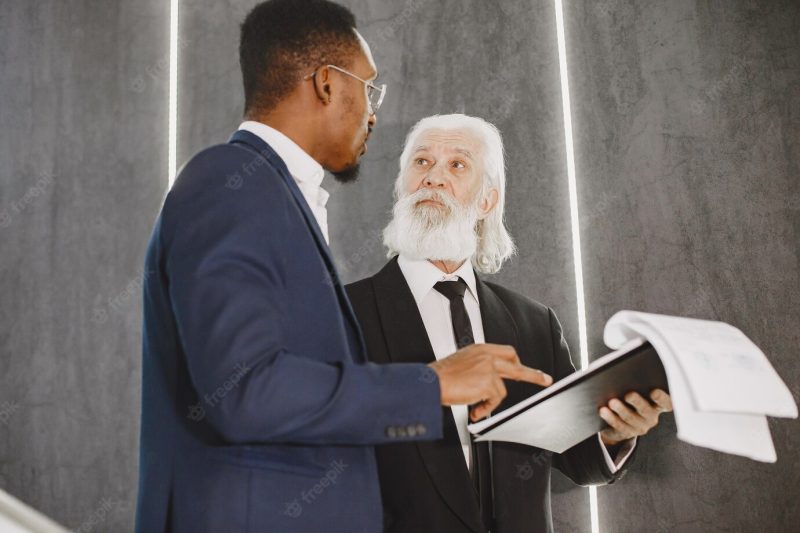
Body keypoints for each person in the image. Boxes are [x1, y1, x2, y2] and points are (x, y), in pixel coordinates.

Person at [133, 3, 551, 532]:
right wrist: (431, 385)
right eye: (368, 88)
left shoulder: (274, 195)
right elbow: (244, 389)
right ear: (328, 84)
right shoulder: (229, 181)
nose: (373, 112)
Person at [346, 114, 673, 533]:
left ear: (486, 201)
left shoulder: (535, 324)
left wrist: (617, 433)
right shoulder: (340, 314)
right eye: (422, 162)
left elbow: (579, 460)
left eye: (457, 165)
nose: (433, 178)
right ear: (401, 188)